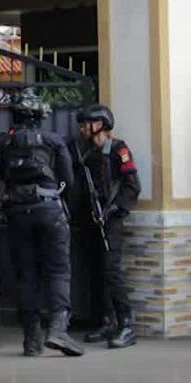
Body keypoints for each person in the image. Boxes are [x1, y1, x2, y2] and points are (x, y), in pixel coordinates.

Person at [0, 87, 80, 358]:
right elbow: (69, 181)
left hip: (18, 214)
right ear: (40, 115)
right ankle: (57, 329)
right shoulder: (54, 140)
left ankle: (31, 339)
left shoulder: (3, 142)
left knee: (27, 275)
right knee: (58, 271)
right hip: (49, 211)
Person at [71, 103, 142, 349]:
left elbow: (132, 185)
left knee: (112, 271)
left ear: (100, 124)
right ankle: (107, 321)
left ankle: (126, 325)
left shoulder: (118, 150)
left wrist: (115, 209)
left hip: (111, 220)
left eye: (87, 123)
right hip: (91, 219)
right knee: (96, 271)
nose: (83, 128)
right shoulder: (87, 153)